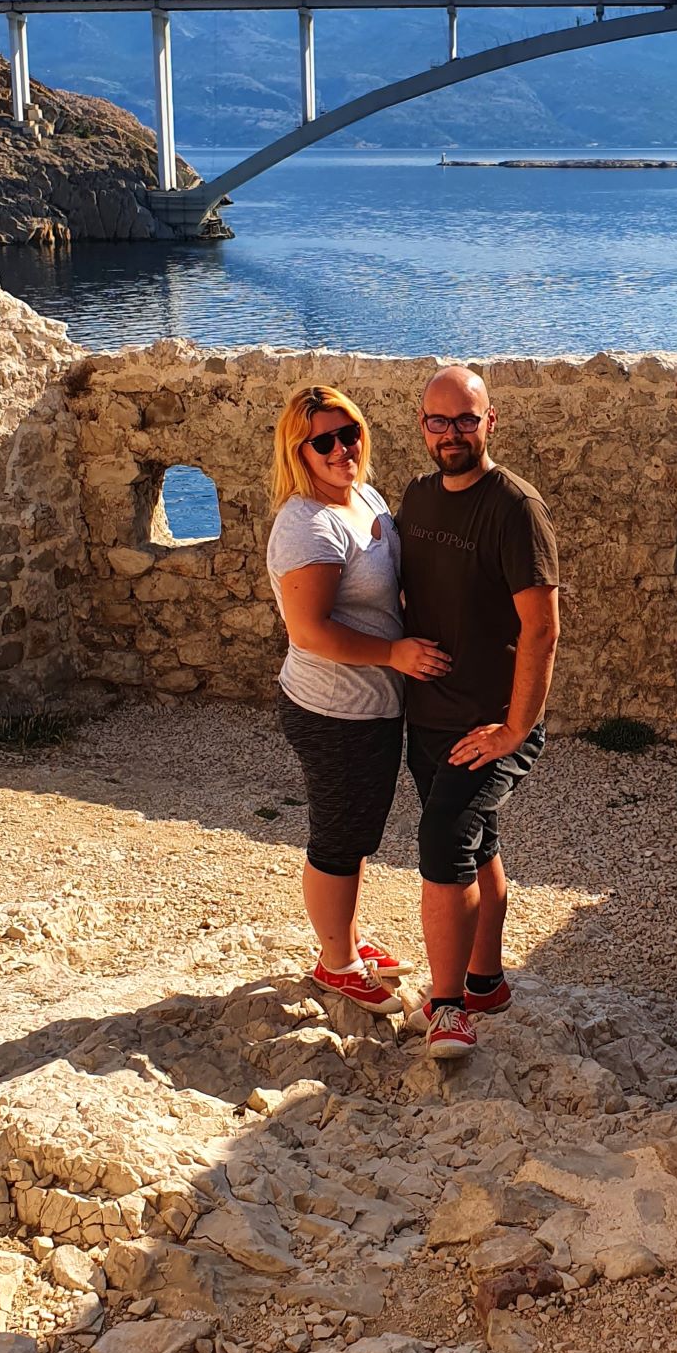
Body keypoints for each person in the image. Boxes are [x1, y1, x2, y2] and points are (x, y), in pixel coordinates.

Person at [266, 384, 449, 1015]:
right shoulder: (308, 526)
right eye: (324, 441)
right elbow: (310, 631)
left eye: (350, 433)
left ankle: (342, 937)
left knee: (359, 827)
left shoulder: (362, 496)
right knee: (339, 837)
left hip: (369, 703)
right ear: (299, 451)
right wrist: (395, 654)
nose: (342, 448)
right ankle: (335, 963)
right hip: (332, 707)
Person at [397, 365, 560, 1057]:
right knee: (475, 839)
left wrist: (516, 728)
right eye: (439, 421)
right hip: (429, 714)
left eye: (466, 419)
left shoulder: (515, 508)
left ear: (492, 421)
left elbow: (542, 628)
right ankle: (485, 980)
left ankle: (447, 1006)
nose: (453, 434)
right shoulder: (416, 498)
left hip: (492, 723)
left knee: (443, 843)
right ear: (422, 427)